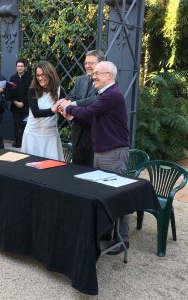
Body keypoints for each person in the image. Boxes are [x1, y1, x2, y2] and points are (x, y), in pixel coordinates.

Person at [58, 61, 130, 254]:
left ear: (110, 76)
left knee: (116, 195)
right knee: (102, 194)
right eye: (93, 73)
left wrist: (68, 105)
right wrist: (72, 116)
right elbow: (91, 118)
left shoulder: (111, 95)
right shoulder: (104, 95)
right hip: (103, 152)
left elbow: (89, 111)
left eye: (98, 73)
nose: (93, 76)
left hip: (112, 154)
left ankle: (123, 239)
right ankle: (107, 233)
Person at [64, 50, 105, 167]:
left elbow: (95, 103)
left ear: (101, 63)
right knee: (76, 173)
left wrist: (74, 105)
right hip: (78, 136)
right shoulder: (80, 80)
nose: (87, 66)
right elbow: (69, 99)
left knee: (92, 177)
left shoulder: (107, 82)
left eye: (91, 63)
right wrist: (67, 103)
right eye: (86, 63)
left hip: (95, 138)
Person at [21, 61, 65, 161]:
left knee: (52, 166)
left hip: (50, 135)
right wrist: (53, 110)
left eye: (43, 75)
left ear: (50, 74)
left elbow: (63, 111)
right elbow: (36, 113)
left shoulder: (59, 90)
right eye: (38, 75)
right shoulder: (32, 89)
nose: (40, 78)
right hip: (33, 135)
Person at [7, 59, 32, 148]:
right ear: (16, 67)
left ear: (24, 67)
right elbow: (9, 92)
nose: (20, 68)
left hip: (25, 107)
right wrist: (15, 102)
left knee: (25, 126)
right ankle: (18, 143)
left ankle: (25, 144)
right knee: (17, 125)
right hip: (15, 106)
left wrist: (23, 102)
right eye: (18, 66)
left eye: (21, 66)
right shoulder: (12, 78)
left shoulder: (30, 78)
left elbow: (30, 93)